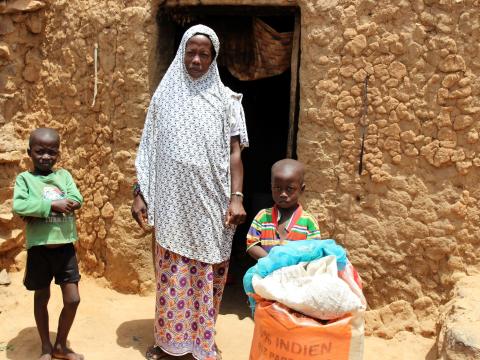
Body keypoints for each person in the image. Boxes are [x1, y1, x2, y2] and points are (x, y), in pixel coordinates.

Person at [131, 25, 249, 360]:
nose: (196, 59)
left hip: (211, 203)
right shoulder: (163, 99)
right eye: (191, 52)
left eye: (204, 54)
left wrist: (236, 197)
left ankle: (201, 342)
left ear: (213, 59)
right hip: (172, 205)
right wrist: (140, 191)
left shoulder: (227, 102)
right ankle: (170, 344)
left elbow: (235, 155)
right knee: (172, 274)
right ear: (182, 53)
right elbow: (148, 150)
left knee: (207, 274)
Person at [12, 128, 84, 360]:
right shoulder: (25, 179)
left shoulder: (64, 176)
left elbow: (77, 199)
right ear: (29, 153)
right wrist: (52, 206)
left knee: (73, 299)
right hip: (39, 250)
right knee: (41, 297)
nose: (45, 157)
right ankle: (45, 346)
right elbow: (20, 206)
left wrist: (37, 210)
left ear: (58, 154)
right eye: (39, 152)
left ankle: (61, 345)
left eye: (51, 152)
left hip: (65, 248)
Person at [246, 159, 321, 260]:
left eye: (290, 189)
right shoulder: (263, 216)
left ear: (301, 189)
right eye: (277, 188)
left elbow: (314, 251)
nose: (283, 194)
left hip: (296, 273)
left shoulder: (308, 221)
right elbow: (251, 244)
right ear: (271, 187)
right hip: (268, 273)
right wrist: (271, 262)